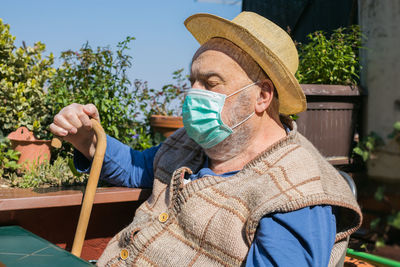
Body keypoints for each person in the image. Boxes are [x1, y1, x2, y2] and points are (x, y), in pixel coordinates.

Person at [50, 12, 362, 267]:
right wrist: (87, 139)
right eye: (192, 81)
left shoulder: (295, 191)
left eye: (210, 83)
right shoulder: (194, 143)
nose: (193, 94)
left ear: (263, 96)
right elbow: (136, 168)